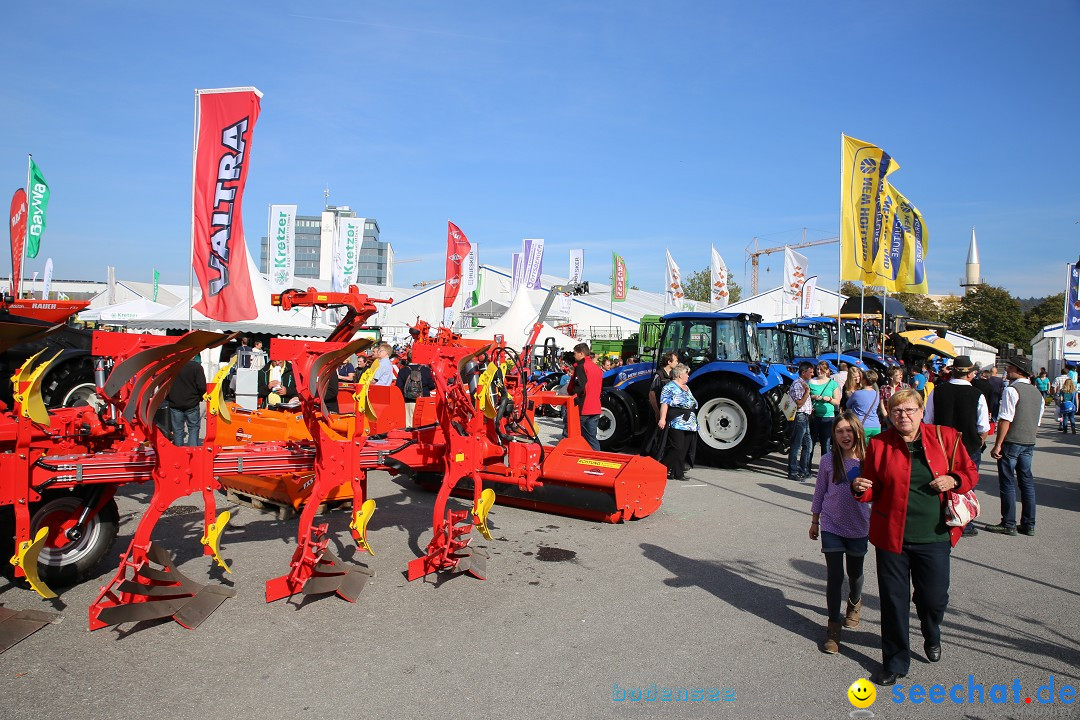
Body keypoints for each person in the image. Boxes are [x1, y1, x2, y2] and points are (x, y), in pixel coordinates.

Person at [851, 389, 978, 687]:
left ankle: (931, 630)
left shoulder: (945, 437)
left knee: (933, 598)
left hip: (934, 534)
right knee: (893, 601)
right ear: (889, 415)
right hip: (891, 536)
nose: (903, 416)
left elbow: (969, 472)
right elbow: (872, 488)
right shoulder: (880, 444)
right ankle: (895, 661)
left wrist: (954, 479)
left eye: (909, 410)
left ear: (921, 412)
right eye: (897, 411)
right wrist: (859, 488)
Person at [809, 411, 870, 654]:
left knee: (854, 574)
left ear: (857, 432)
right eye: (839, 431)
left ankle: (854, 603)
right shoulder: (827, 460)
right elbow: (819, 492)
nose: (845, 435)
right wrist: (815, 521)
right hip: (831, 524)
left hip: (858, 526)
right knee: (835, 576)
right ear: (834, 435)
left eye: (848, 430)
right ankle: (833, 628)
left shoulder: (867, 460)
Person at [923, 356, 990, 538]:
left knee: (939, 481)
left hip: (941, 446)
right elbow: (984, 427)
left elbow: (928, 420)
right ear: (969, 374)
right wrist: (979, 441)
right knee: (966, 483)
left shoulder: (938, 391)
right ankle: (965, 523)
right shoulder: (977, 394)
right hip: (968, 445)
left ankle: (939, 519)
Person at [986, 356, 1043, 536]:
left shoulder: (1012, 390)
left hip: (1012, 441)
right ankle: (1029, 523)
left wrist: (998, 444)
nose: (1007, 370)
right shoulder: (1036, 393)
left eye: (1010, 368)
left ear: (1019, 371)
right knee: (1027, 482)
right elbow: (1037, 421)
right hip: (1028, 441)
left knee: (1008, 481)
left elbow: (1005, 419)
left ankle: (1008, 522)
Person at [656, 364, 698, 480]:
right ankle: (661, 469)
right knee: (676, 446)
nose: (688, 376)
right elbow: (664, 404)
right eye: (687, 373)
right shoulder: (669, 387)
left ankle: (678, 473)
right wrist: (662, 418)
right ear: (680, 375)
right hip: (677, 420)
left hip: (689, 422)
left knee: (684, 448)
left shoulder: (686, 387)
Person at [566, 343, 602, 450]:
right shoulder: (596, 367)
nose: (573, 356)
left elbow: (580, 387)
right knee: (592, 438)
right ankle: (597, 459)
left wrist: (573, 395)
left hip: (584, 407)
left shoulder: (581, 367)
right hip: (595, 407)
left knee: (572, 435)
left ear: (581, 353)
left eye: (575, 353)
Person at [167, 359, 207, 446]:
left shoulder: (172, 366)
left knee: (177, 430)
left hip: (175, 402)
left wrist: (169, 398)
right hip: (191, 402)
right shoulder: (196, 367)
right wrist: (199, 397)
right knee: (193, 428)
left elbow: (165, 385)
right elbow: (202, 386)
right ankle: (193, 452)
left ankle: (178, 453)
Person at [787, 362, 815, 482]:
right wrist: (807, 392)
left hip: (805, 416)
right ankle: (793, 471)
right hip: (800, 417)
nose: (813, 374)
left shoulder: (803, 384)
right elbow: (799, 404)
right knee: (796, 445)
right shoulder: (798, 384)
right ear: (804, 372)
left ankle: (804, 471)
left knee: (808, 445)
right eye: (811, 372)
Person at [808, 361, 841, 460]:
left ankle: (824, 469)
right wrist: (813, 396)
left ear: (827, 370)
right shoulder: (811, 382)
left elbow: (837, 401)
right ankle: (806, 468)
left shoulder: (832, 383)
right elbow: (806, 396)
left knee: (825, 444)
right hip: (814, 416)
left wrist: (829, 399)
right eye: (817, 369)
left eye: (821, 369)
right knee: (810, 443)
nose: (819, 371)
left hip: (828, 417)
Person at [396, 357, 436, 427]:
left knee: (409, 424)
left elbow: (398, 386)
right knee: (423, 425)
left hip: (408, 401)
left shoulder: (403, 370)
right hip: (424, 401)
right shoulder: (426, 370)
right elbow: (432, 386)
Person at [844, 370, 882, 438]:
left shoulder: (857, 393)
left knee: (860, 447)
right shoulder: (877, 394)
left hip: (862, 425)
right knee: (874, 448)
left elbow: (848, 405)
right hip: (876, 425)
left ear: (864, 380)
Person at [648, 352, 679, 422]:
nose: (677, 363)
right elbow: (652, 394)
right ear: (669, 362)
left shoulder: (673, 375)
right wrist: (657, 412)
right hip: (659, 409)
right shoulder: (659, 375)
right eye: (676, 361)